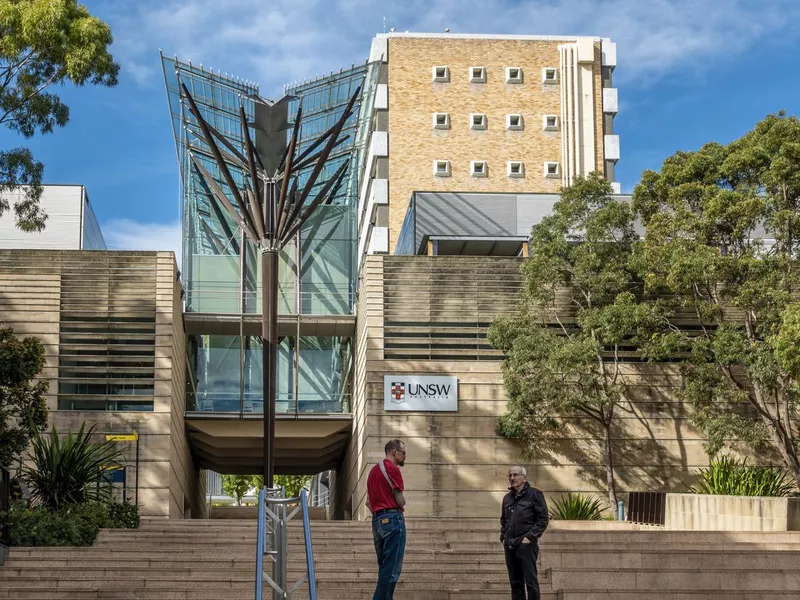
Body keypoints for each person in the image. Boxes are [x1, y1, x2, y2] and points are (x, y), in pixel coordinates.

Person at [366, 439, 407, 600]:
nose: (405, 456)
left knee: (385, 568)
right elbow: (400, 499)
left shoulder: (373, 472)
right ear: (395, 452)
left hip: (377, 521)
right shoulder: (393, 469)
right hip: (393, 519)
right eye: (403, 453)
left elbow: (368, 502)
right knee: (391, 570)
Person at [500, 465, 549, 600]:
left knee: (531, 582)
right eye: (510, 475)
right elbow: (503, 520)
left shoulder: (535, 494)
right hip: (510, 544)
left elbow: (543, 519)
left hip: (526, 544)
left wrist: (529, 537)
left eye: (515, 475)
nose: (512, 478)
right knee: (515, 583)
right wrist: (504, 536)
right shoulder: (507, 498)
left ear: (524, 477)